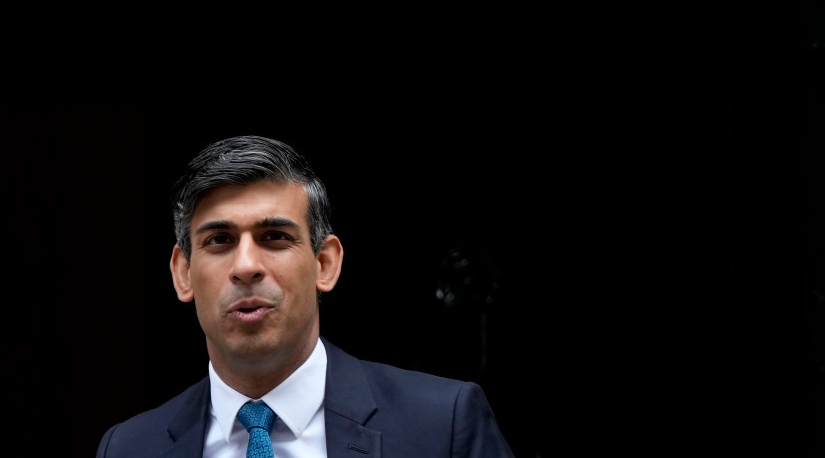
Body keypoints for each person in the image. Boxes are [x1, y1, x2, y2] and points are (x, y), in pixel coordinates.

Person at [96, 135, 515, 458]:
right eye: (220, 239)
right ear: (183, 274)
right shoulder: (129, 447)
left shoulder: (443, 424)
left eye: (274, 236)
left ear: (325, 264)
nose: (245, 266)